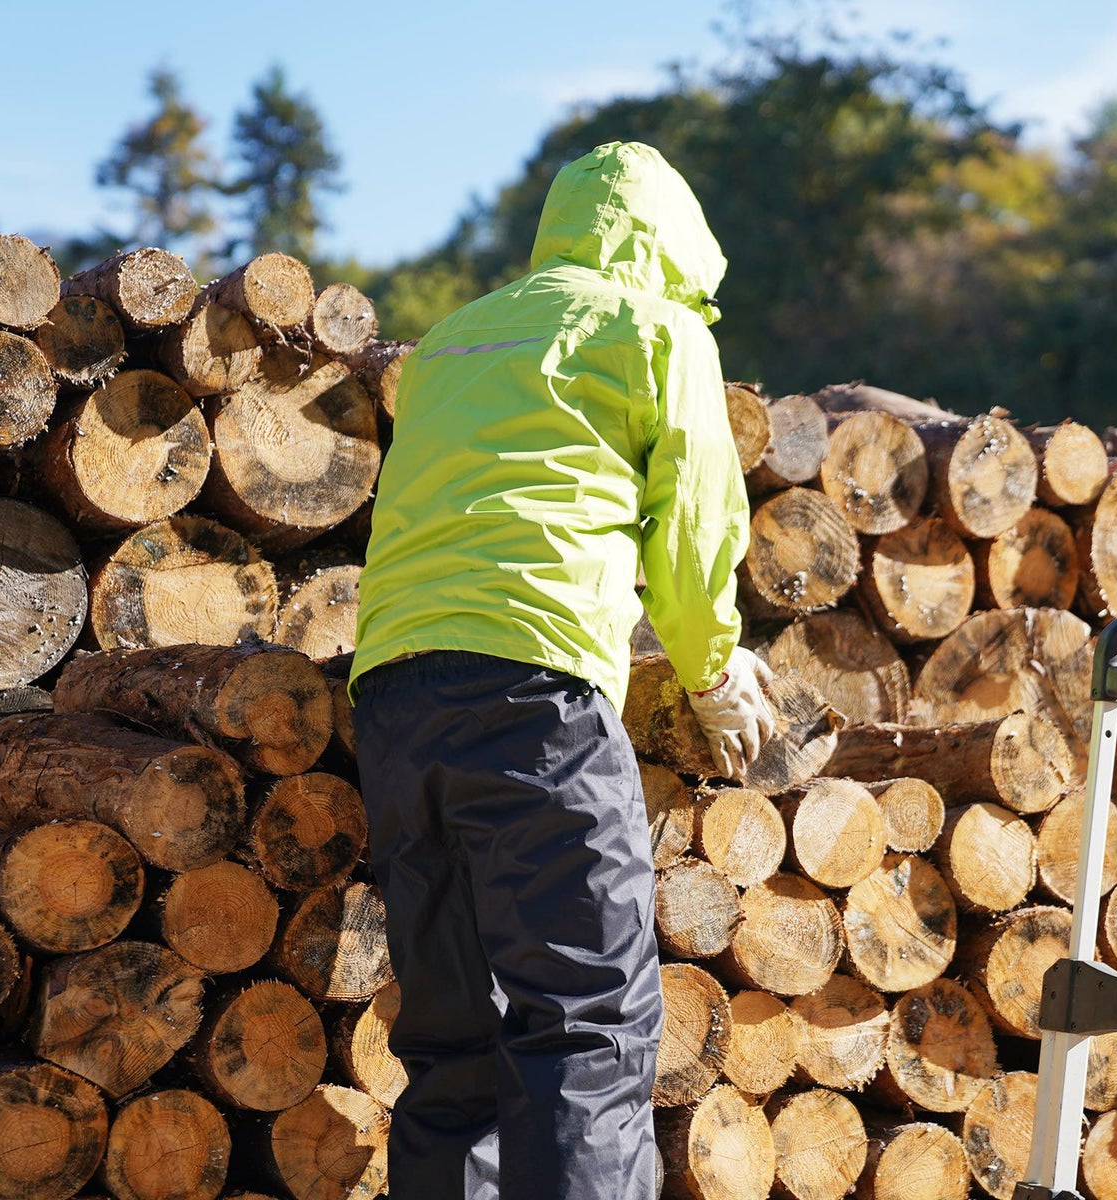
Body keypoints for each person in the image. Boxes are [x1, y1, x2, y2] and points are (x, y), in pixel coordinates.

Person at [348, 140, 775, 1200]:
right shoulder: (659, 331)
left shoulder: (454, 336)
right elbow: (695, 528)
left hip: (395, 701)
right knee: (584, 1032)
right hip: (533, 699)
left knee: (453, 1050)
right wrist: (713, 672)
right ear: (677, 246)